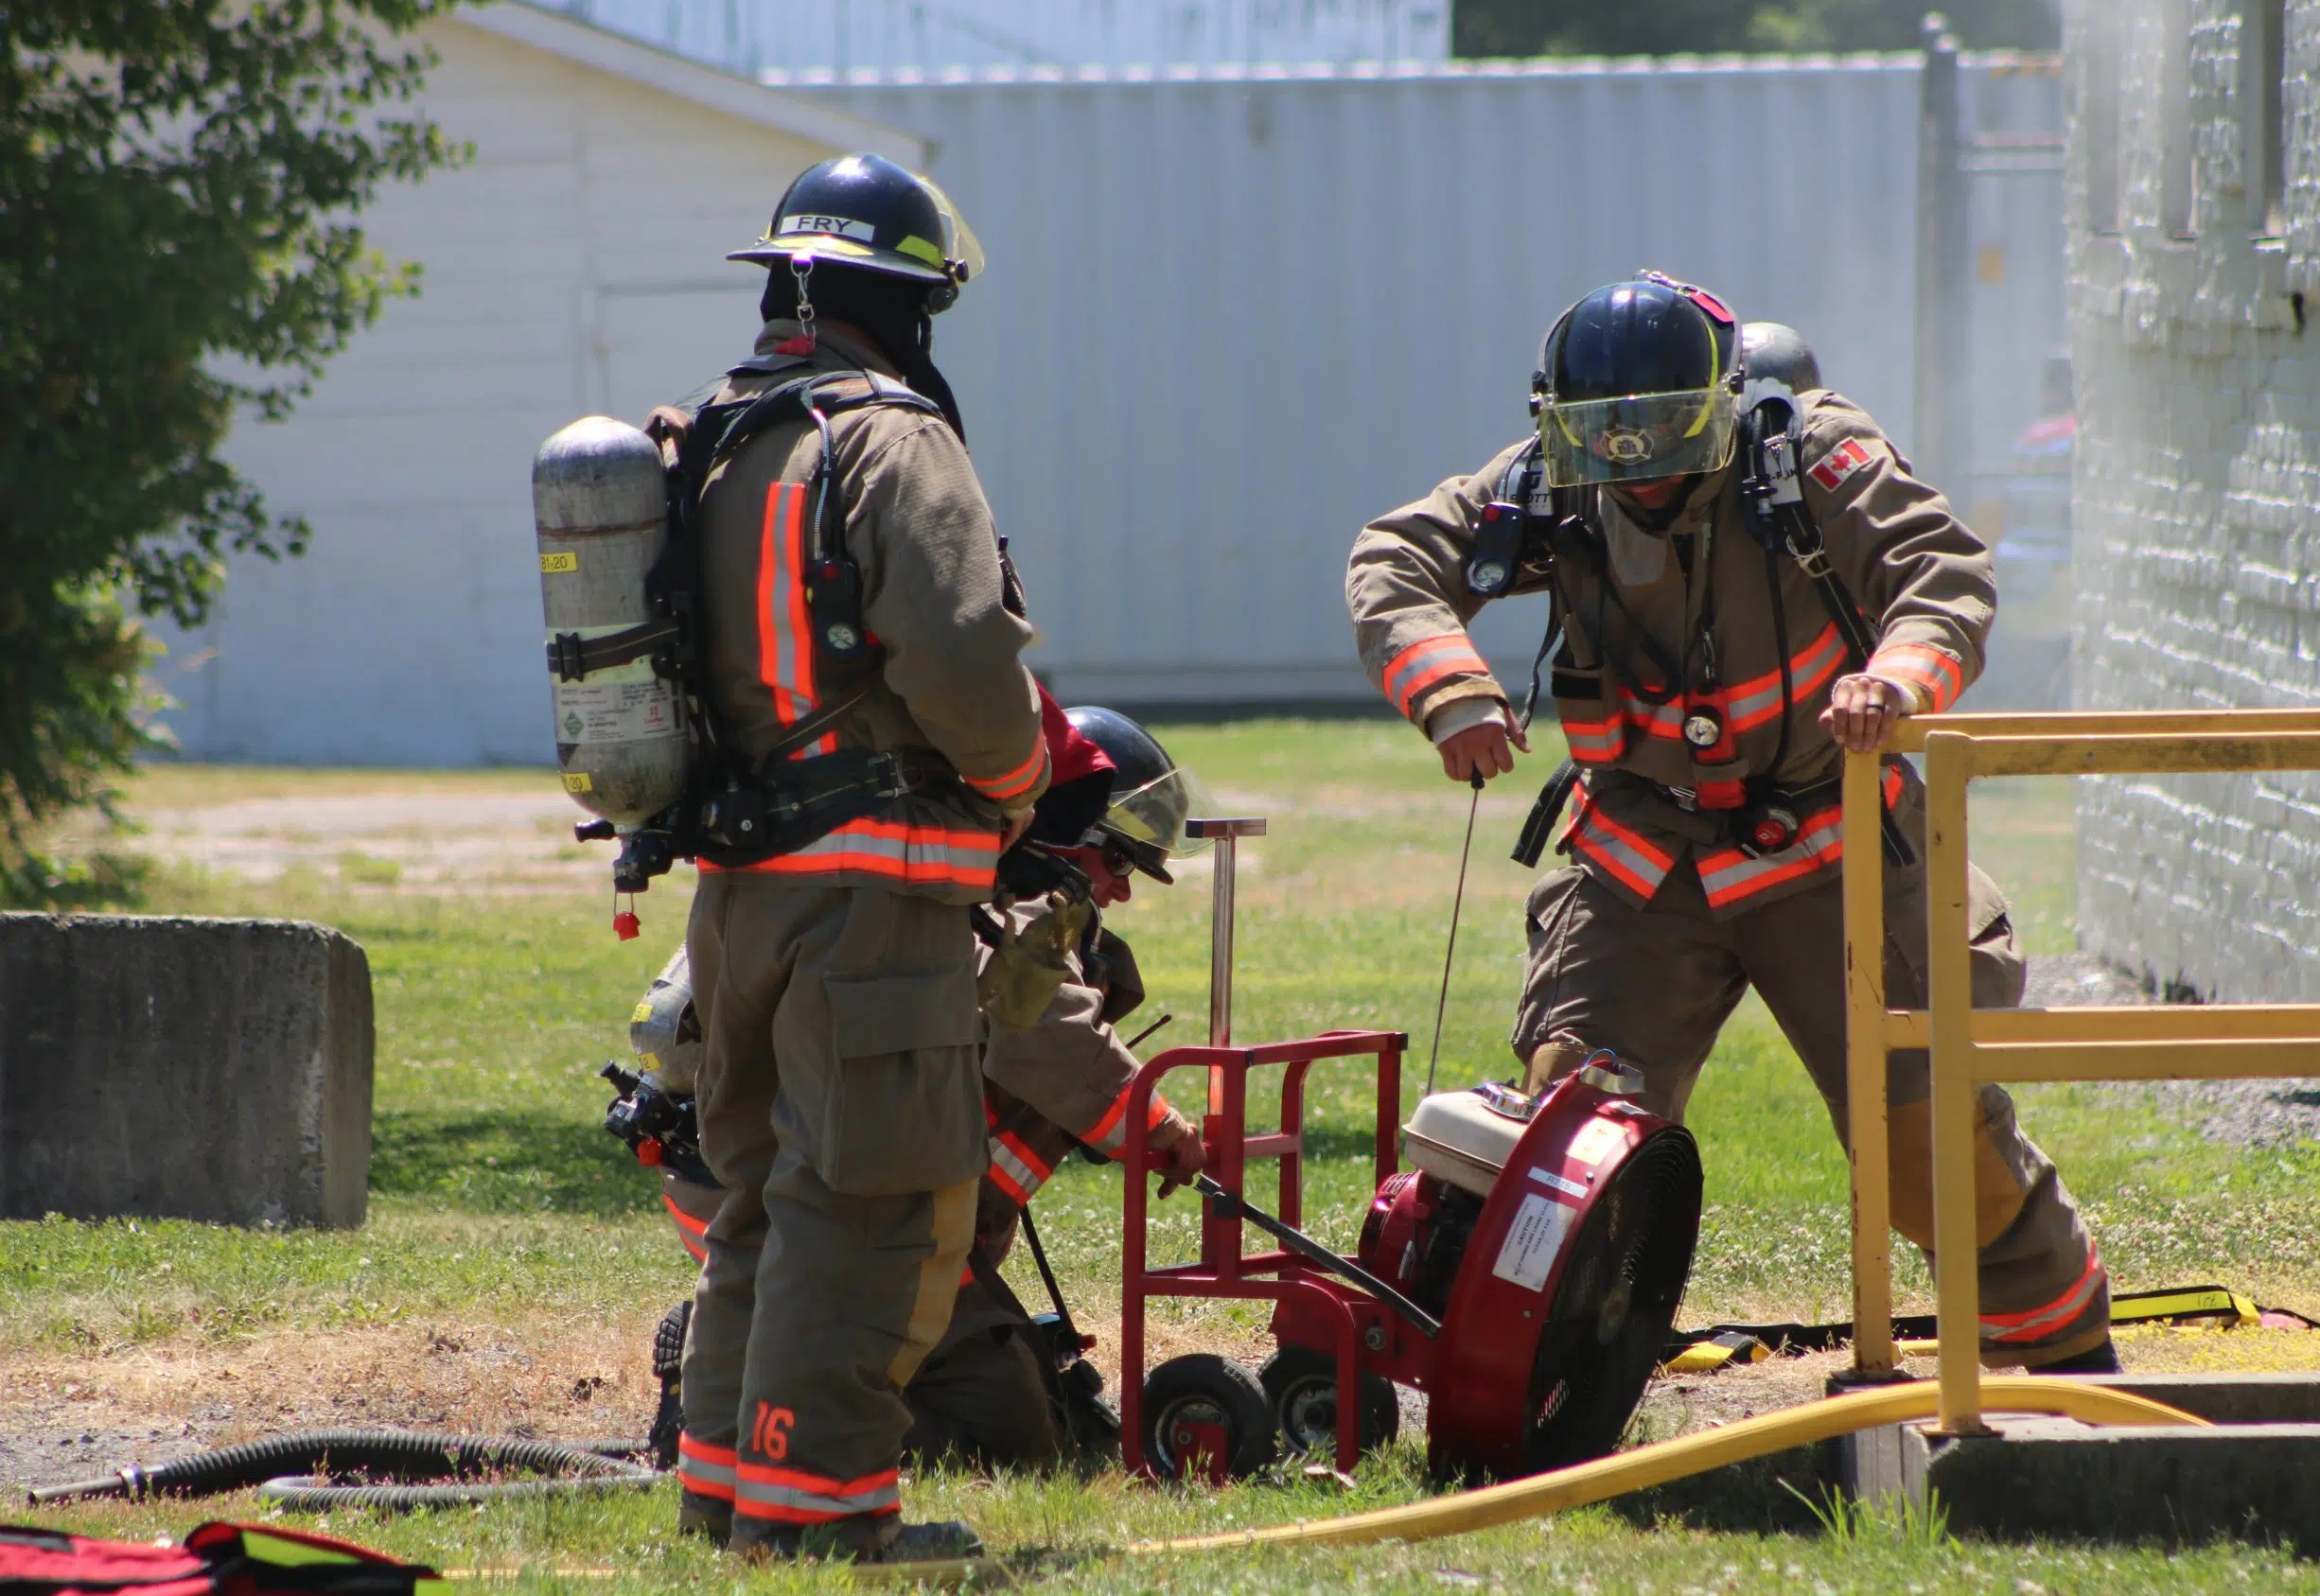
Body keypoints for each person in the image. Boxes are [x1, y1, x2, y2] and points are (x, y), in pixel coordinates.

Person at [1344, 273, 2116, 1374]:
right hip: (1643, 862)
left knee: (1924, 1141)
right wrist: (1452, 692)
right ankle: (1554, 1380)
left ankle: (2065, 1353)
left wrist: (1895, 684)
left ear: (1721, 401)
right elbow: (1395, 558)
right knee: (1572, 1140)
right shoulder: (1547, 484)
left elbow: (1940, 573)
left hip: (1830, 842)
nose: (1635, 464)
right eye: (1601, 436)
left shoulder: (1811, 459)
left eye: (1662, 430)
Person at [666, 153, 1050, 1564]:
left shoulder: (714, 434)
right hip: (867, 895)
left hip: (739, 898)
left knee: (759, 1193)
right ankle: (824, 1518)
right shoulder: (890, 438)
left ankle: (729, 1491)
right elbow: (957, 659)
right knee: (874, 1200)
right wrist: (1020, 784)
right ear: (912, 307)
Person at [630, 708, 1211, 1471]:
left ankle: (752, 1365)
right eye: (1121, 864)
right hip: (830, 1198)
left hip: (828, 1188)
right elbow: (1048, 1037)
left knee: (1033, 1405)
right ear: (1077, 836)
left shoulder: (981, 882)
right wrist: (1159, 1124)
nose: (1122, 893)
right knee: (1008, 1435)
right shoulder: (1016, 904)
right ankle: (741, 1395)